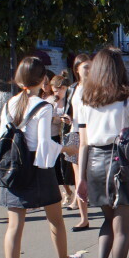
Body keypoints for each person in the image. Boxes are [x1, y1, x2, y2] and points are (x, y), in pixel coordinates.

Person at [0, 56, 84, 258]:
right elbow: (44, 145)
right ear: (43, 79)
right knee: (55, 218)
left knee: (14, 226)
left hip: (14, 167)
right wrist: (68, 149)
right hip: (38, 168)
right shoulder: (43, 106)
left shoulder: (9, 104)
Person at [75, 47, 129, 258]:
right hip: (120, 164)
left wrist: (81, 178)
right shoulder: (127, 97)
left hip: (94, 164)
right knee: (122, 227)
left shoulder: (86, 98)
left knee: (108, 220)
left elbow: (83, 142)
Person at [64, 54, 92, 231]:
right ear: (77, 70)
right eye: (85, 67)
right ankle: (84, 217)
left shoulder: (98, 87)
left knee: (96, 173)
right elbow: (70, 110)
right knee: (78, 175)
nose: (89, 70)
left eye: (91, 67)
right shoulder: (72, 88)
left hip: (93, 133)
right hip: (76, 132)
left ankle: (110, 212)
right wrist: (67, 117)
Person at [47, 71, 75, 207]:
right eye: (53, 91)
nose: (55, 94)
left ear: (64, 88)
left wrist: (67, 119)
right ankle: (67, 192)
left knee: (68, 166)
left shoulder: (70, 101)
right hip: (54, 135)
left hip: (68, 135)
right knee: (57, 167)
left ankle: (73, 193)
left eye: (56, 91)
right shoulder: (51, 101)